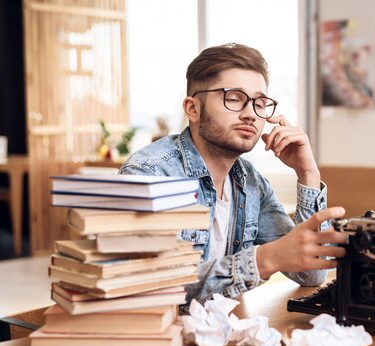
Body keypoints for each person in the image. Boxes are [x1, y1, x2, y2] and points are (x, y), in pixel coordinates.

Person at [120, 43, 348, 302]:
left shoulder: (252, 183)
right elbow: (149, 285)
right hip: (163, 337)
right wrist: (264, 259)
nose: (251, 114)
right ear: (192, 109)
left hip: (225, 334)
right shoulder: (149, 174)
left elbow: (313, 274)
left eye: (260, 103)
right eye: (234, 98)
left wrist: (307, 172)